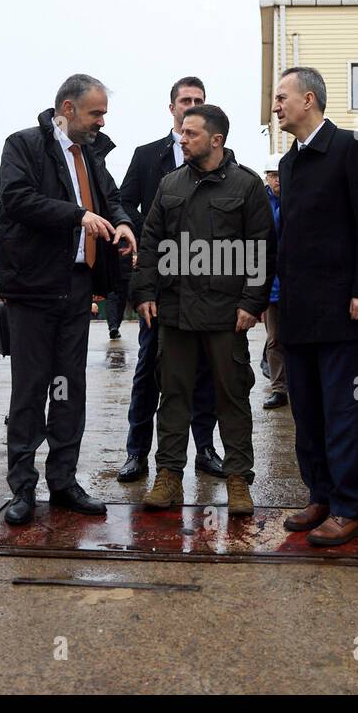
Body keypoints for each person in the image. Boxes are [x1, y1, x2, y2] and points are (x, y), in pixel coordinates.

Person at [0, 74, 136, 525]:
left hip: (77, 287)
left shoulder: (92, 155)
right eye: (96, 113)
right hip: (33, 288)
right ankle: (22, 488)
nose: (102, 122)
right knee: (30, 388)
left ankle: (64, 481)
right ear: (68, 108)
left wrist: (123, 222)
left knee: (69, 388)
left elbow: (111, 200)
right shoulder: (23, 145)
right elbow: (17, 200)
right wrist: (78, 216)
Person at [131, 104, 275, 515]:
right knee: (173, 396)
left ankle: (238, 480)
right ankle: (169, 477)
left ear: (216, 140)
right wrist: (144, 293)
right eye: (182, 132)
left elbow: (262, 248)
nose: (182, 138)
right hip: (175, 313)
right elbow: (151, 239)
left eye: (191, 133)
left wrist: (252, 302)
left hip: (225, 314)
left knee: (232, 397)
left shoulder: (247, 186)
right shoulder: (170, 183)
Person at [273, 67, 358, 547]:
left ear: (310, 99)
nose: (275, 106)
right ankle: (318, 495)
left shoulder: (352, 147)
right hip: (299, 310)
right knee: (307, 411)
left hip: (343, 309)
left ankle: (347, 507)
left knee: (341, 411)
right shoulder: (291, 162)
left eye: (282, 97)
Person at [115, 77, 224, 483]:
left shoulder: (219, 156)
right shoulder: (148, 156)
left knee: (205, 373)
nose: (189, 105)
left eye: (198, 100)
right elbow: (123, 201)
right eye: (184, 100)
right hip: (160, 284)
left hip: (206, 284)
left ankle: (206, 450)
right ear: (171, 107)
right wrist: (142, 235)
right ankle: (136, 453)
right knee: (149, 370)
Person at [261, 155, 287, 409]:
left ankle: (301, 385)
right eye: (273, 175)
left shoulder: (298, 197)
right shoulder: (260, 203)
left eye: (280, 174)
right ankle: (279, 388)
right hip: (272, 284)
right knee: (274, 339)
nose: (278, 179)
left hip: (298, 283)